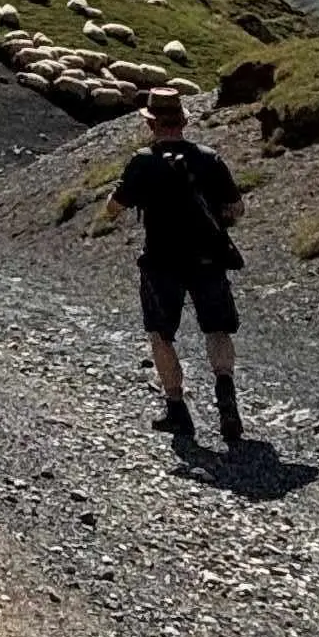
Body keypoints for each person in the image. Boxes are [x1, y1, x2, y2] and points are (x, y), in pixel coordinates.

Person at [98, 86, 248, 455]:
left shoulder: (143, 161)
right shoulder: (210, 159)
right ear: (182, 122)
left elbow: (114, 208)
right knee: (217, 328)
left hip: (162, 260)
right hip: (208, 258)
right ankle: (225, 390)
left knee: (161, 334)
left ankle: (177, 408)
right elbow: (237, 209)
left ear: (151, 124)